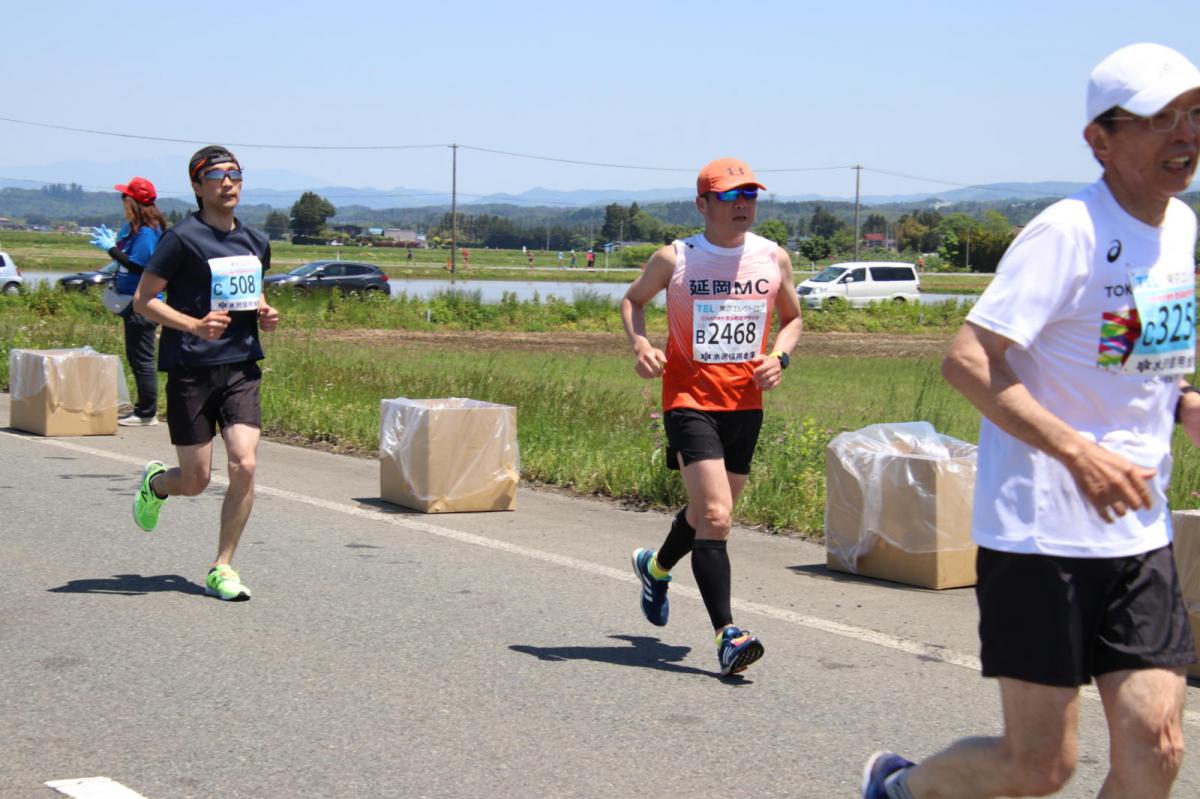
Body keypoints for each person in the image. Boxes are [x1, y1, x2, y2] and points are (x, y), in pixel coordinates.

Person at [863, 42, 1200, 799]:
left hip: (1139, 532)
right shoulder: (1068, 231)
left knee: (1157, 747)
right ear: (1100, 139)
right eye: (1160, 119)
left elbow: (1138, 353)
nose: (1185, 134)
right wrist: (1078, 452)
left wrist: (1183, 404)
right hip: (1041, 534)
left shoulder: (1179, 226)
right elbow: (968, 360)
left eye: (1195, 114)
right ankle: (901, 787)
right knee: (1040, 766)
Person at [621, 157, 802, 677]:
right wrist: (641, 345)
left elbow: (793, 319)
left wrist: (780, 357)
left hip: (745, 404)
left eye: (749, 195)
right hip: (689, 400)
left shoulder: (773, 258)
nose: (742, 204)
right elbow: (633, 301)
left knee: (707, 516)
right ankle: (728, 635)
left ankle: (656, 567)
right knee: (718, 517)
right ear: (702, 204)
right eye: (728, 196)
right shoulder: (676, 258)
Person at [130, 145, 280, 603]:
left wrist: (265, 310)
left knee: (245, 463)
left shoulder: (255, 241)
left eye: (235, 174)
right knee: (195, 481)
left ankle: (222, 566)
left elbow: (250, 294)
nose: (228, 183)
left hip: (240, 366)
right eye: (216, 176)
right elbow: (144, 301)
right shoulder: (181, 239)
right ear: (198, 185)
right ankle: (157, 484)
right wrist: (194, 325)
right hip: (191, 369)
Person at [89, 176, 166, 426]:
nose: (123, 205)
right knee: (136, 357)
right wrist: (116, 244)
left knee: (142, 359)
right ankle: (144, 409)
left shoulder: (146, 233)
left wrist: (111, 249)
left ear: (133, 203)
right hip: (133, 302)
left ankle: (147, 413)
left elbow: (138, 266)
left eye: (125, 200)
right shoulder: (137, 230)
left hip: (142, 303)